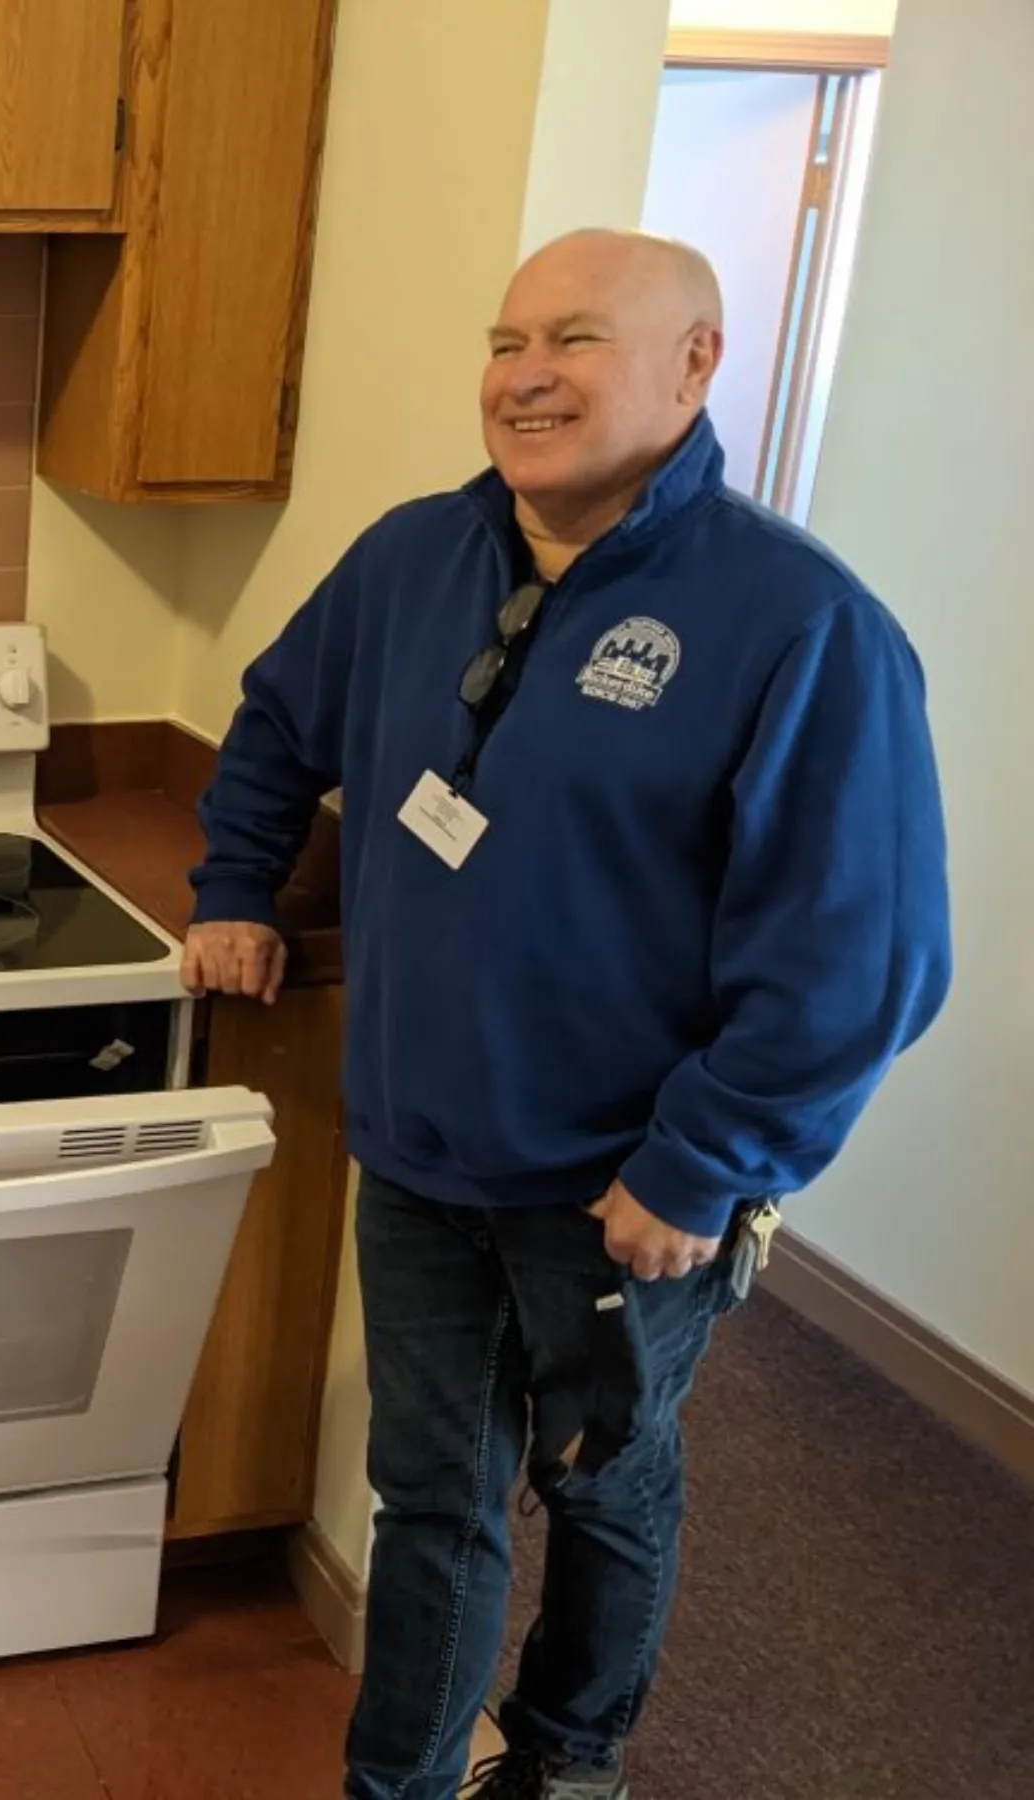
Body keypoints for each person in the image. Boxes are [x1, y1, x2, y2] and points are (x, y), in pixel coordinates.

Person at [182, 228, 950, 1800]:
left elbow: (864, 961)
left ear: (694, 365)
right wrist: (234, 889)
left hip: (618, 1192)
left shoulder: (801, 624)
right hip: (415, 1155)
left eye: (577, 341)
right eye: (507, 338)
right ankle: (399, 1785)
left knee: (604, 1486)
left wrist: (703, 1163)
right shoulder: (414, 556)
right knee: (433, 1498)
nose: (525, 376)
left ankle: (569, 1760)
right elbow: (274, 722)